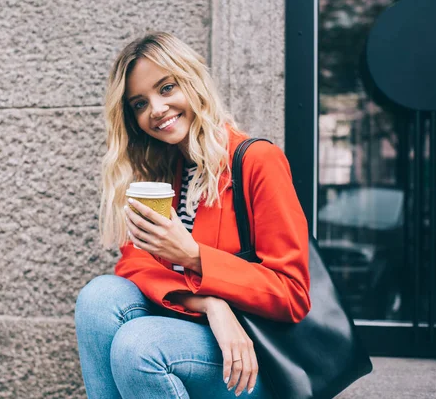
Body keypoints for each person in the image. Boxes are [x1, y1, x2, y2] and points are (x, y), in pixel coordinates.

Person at [75, 32, 310, 399]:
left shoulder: (256, 161)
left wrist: (194, 257)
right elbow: (134, 266)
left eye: (166, 88)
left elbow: (292, 294)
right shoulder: (162, 170)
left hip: (254, 359)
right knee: (98, 297)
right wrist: (210, 303)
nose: (155, 109)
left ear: (193, 80)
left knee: (139, 347)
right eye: (139, 103)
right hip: (197, 330)